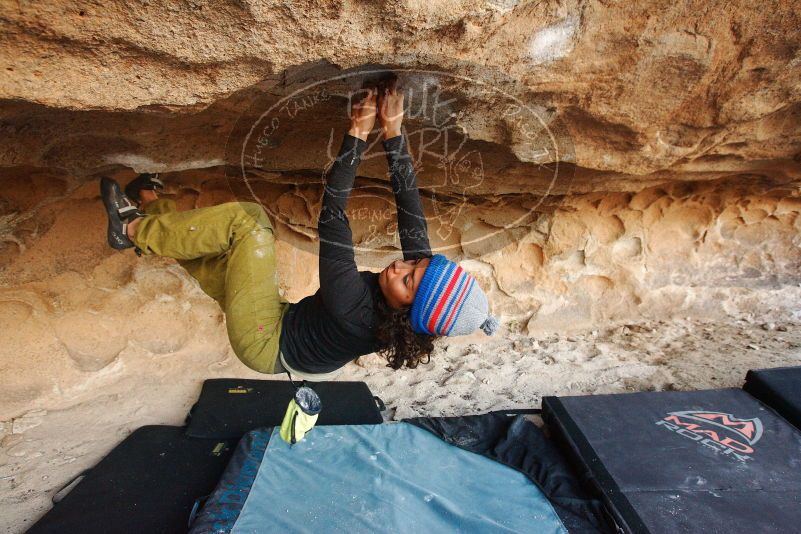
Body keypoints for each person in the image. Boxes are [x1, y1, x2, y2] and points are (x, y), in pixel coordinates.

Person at [100, 78, 498, 382]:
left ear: (407, 313)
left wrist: (357, 132)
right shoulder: (412, 298)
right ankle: (150, 204)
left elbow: (333, 216)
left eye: (407, 282)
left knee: (249, 224)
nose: (399, 268)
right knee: (215, 252)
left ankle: (131, 229)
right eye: (418, 265)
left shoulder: (352, 309)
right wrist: (394, 130)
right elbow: (410, 206)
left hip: (266, 342)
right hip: (295, 333)